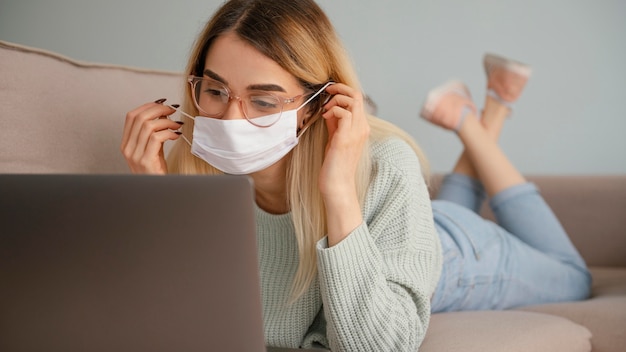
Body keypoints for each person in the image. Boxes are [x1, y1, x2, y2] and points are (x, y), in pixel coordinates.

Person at [120, 0, 590, 350]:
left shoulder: (384, 162)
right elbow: (195, 316)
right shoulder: (184, 162)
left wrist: (338, 190)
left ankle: (479, 120)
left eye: (263, 101)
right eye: (216, 89)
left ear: (314, 106)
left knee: (574, 278)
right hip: (410, 218)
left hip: (459, 256)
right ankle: (485, 110)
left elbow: (377, 345)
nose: (231, 119)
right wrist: (158, 199)